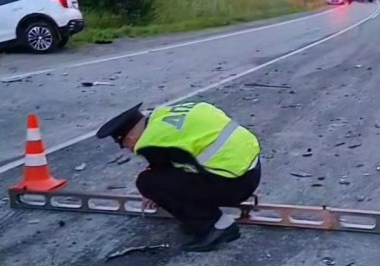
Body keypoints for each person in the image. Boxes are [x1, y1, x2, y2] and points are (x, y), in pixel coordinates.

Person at [96, 101, 261, 252]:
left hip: (235, 184)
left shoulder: (151, 141)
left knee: (147, 183)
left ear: (129, 138)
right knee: (168, 179)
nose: (131, 149)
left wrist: (152, 194)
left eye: (125, 145)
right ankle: (199, 218)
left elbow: (160, 174)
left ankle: (215, 226)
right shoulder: (172, 114)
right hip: (251, 169)